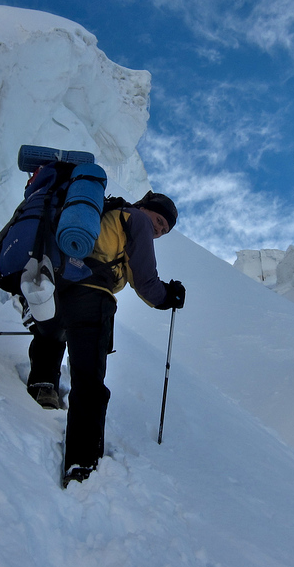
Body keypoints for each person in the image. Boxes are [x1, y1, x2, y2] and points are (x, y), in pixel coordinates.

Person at [23, 191, 185, 486]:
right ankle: (81, 463)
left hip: (58, 285)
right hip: (92, 295)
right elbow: (145, 280)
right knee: (89, 378)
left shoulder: (107, 217)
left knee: (53, 334)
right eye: (159, 221)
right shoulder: (136, 220)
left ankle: (42, 384)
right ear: (144, 207)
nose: (158, 231)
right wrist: (167, 297)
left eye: (163, 230)